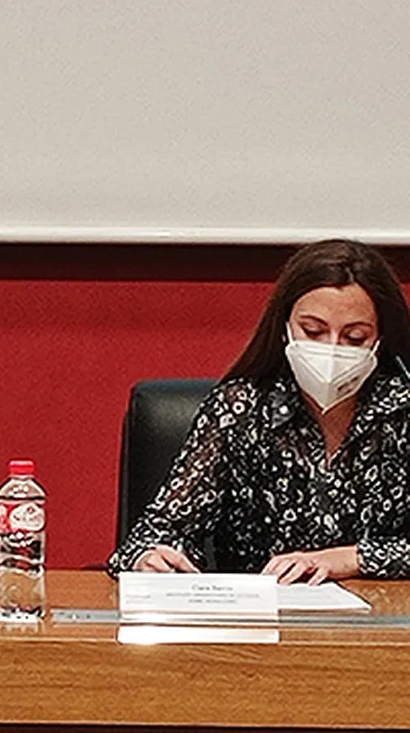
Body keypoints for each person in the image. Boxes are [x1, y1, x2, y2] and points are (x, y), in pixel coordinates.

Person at [111, 239, 410, 583]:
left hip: (382, 615)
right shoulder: (239, 410)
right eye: (313, 331)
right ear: (284, 328)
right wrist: (150, 557)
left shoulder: (402, 410)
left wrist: (351, 558)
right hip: (260, 610)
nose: (331, 350)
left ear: (380, 340)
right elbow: (153, 533)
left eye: (354, 337)